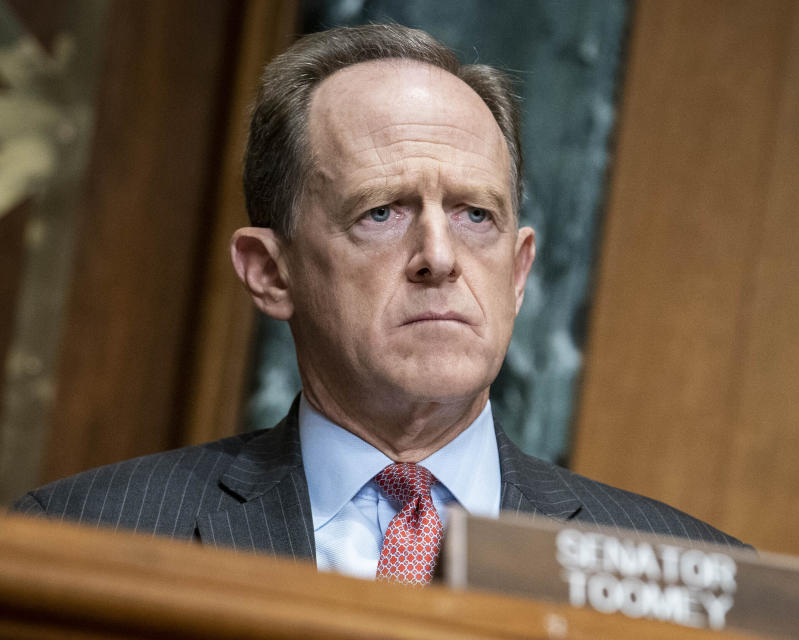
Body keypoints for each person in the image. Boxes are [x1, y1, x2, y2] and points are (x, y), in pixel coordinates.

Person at [11, 24, 746, 584]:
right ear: (270, 272)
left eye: (474, 215)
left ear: (518, 272)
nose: (439, 256)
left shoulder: (698, 582)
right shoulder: (80, 540)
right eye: (383, 212)